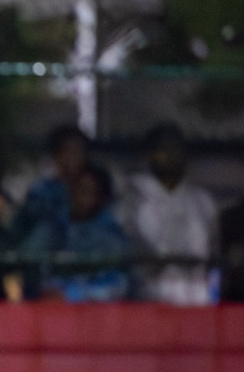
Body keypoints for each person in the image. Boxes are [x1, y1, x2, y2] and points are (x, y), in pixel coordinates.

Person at [121, 124, 218, 306]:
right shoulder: (132, 199)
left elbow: (213, 257)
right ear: (149, 155)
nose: (170, 155)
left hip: (198, 304)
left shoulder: (202, 201)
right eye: (163, 149)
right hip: (150, 303)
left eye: (176, 148)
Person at [28, 165, 131, 302]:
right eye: (76, 189)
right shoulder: (53, 226)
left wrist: (71, 295)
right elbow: (29, 263)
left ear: (101, 199)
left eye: (87, 191)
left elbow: (118, 285)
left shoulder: (113, 237)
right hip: (51, 311)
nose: (79, 197)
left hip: (98, 313)